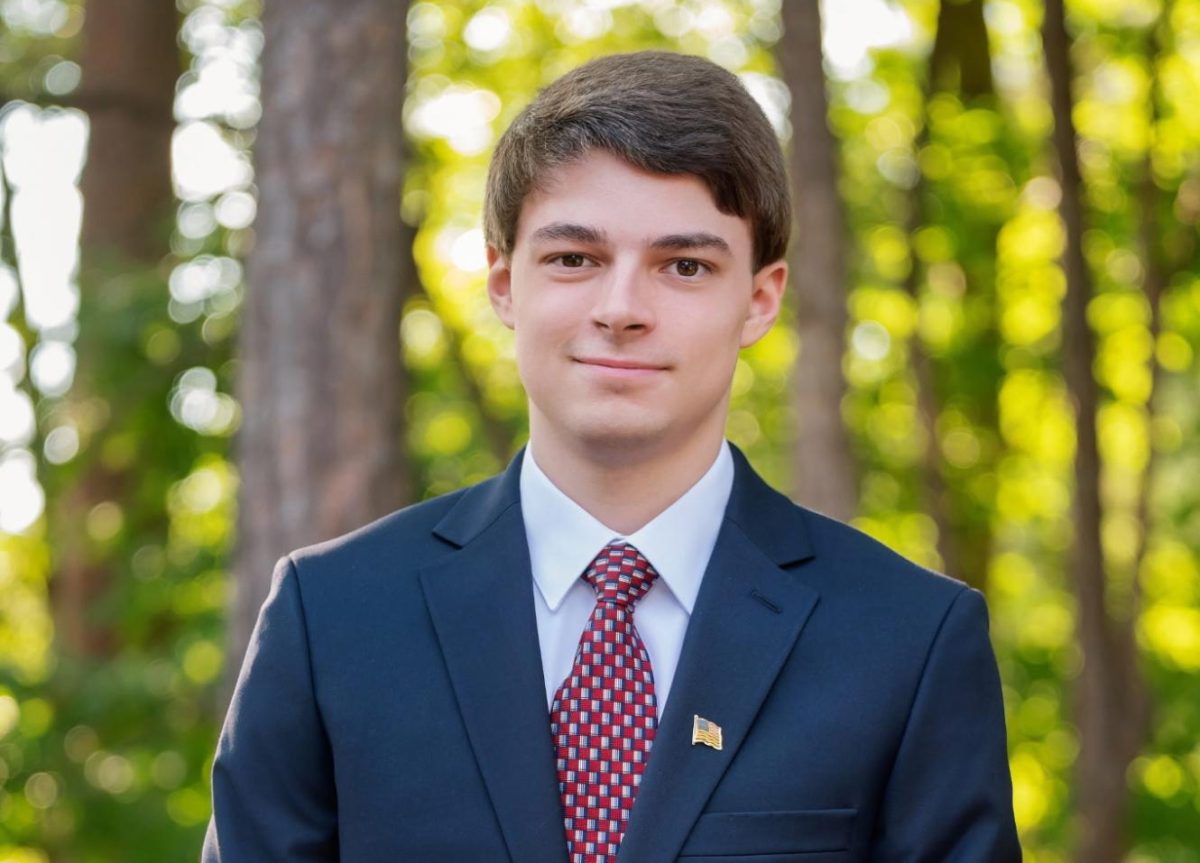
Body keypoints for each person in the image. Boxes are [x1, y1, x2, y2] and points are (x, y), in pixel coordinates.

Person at [203, 51, 1020, 862]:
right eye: (574, 258)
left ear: (760, 299)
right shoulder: (333, 616)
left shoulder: (908, 640)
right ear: (502, 283)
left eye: (685, 265)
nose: (622, 308)